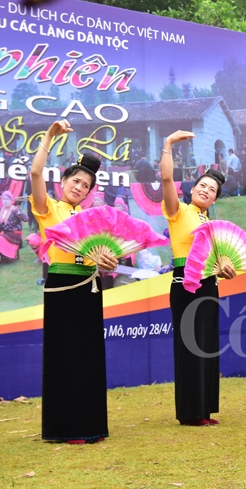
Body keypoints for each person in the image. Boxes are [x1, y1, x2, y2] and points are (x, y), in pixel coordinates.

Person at [30, 120, 118, 443]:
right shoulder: (48, 208)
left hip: (89, 289)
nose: (79, 188)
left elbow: (99, 255)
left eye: (86, 186)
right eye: (76, 181)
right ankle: (65, 427)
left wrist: (108, 261)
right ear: (64, 180)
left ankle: (90, 424)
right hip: (62, 288)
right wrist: (50, 137)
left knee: (88, 355)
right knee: (64, 355)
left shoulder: (89, 218)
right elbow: (36, 174)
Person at [161, 130, 234, 426]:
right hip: (185, 285)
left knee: (205, 344)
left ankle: (203, 409)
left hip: (208, 286)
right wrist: (167, 144)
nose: (206, 191)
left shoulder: (209, 221)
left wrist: (224, 270)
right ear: (192, 189)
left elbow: (218, 262)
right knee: (189, 346)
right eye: (202, 186)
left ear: (215, 197)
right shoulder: (178, 211)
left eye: (212, 190)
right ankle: (190, 412)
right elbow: (167, 180)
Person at [0, 190, 26, 264]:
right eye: (4, 199)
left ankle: (7, 256)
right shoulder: (1, 210)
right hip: (4, 232)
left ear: (11, 200)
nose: (5, 201)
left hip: (14, 233)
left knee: (1, 238)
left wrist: (18, 212)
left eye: (7, 199)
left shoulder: (14, 209)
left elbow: (26, 218)